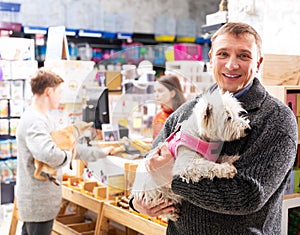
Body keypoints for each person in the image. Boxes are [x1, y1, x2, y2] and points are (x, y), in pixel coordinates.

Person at [130, 22, 298, 234]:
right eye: (223, 54)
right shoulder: (185, 111)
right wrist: (137, 203)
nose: (231, 65)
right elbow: (149, 164)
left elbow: (248, 196)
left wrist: (171, 178)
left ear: (258, 63)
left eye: (244, 56)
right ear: (211, 58)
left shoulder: (277, 119)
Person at [16, 68, 114, 235]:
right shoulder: (35, 121)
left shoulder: (43, 117)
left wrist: (99, 153)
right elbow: (50, 154)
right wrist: (69, 156)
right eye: (59, 92)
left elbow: (65, 147)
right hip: (38, 201)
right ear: (49, 91)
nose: (60, 97)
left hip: (40, 201)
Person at [152, 75, 186, 139]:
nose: (156, 95)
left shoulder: (184, 117)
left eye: (160, 91)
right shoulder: (159, 116)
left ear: (172, 93)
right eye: (155, 91)